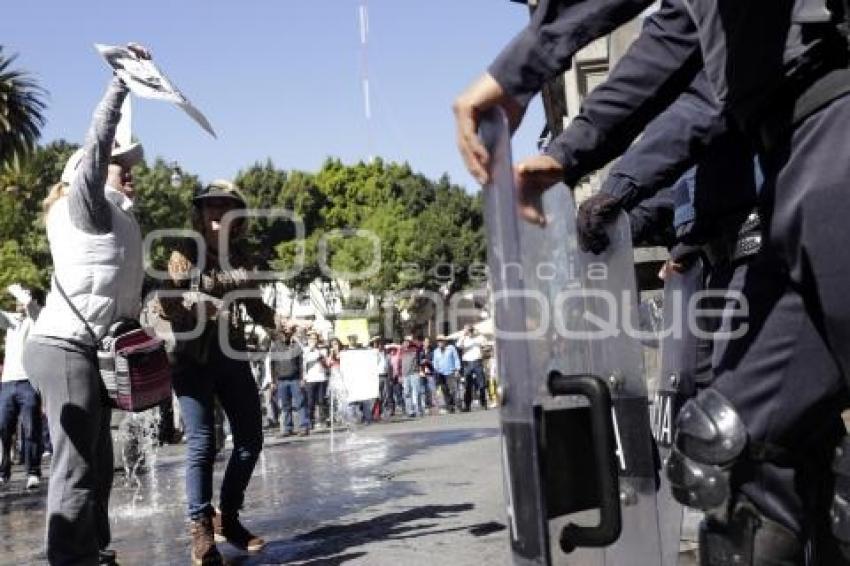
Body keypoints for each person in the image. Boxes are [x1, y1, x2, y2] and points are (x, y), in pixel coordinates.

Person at [457, 0, 850, 561]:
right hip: (796, 160)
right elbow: (683, 44)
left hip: (832, 128)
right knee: (731, 448)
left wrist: (518, 70)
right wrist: (574, 155)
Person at [23, 43, 150, 566]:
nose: (130, 171)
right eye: (123, 166)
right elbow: (97, 147)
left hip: (84, 349)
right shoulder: (89, 208)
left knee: (98, 463)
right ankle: (68, 560)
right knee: (75, 466)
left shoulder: (120, 221)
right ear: (94, 177)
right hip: (63, 348)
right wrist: (119, 86)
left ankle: (93, 549)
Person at [158, 179, 281, 564]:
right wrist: (194, 302)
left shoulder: (242, 257)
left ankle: (228, 517)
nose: (217, 211)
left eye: (226, 206)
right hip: (190, 358)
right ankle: (200, 528)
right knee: (202, 444)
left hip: (231, 355)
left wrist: (283, 324)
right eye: (210, 205)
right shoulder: (184, 252)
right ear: (200, 212)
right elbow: (165, 302)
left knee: (250, 439)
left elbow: (256, 305)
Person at [0, 285, 44, 489]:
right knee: (3, 428)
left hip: (28, 382)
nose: (18, 303)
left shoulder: (38, 320)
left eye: (22, 299)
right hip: (8, 383)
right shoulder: (10, 320)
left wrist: (19, 292)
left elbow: (30, 306)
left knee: (31, 428)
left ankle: (33, 472)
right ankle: (3, 471)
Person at [267, 327, 305, 437]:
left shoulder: (296, 345)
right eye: (283, 333)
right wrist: (273, 381)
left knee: (300, 403)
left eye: (288, 333)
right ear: (280, 334)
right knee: (285, 406)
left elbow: (301, 363)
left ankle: (303, 426)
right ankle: (288, 428)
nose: (285, 335)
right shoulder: (275, 346)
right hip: (281, 380)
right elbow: (272, 365)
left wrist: (302, 378)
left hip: (295, 379)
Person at [302, 331, 328, 432]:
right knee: (310, 401)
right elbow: (304, 362)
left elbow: (326, 363)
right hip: (310, 379)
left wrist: (322, 357)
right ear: (308, 340)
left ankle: (322, 421)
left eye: (315, 339)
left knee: (321, 401)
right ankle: (310, 421)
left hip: (321, 378)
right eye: (311, 339)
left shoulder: (322, 350)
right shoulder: (304, 350)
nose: (313, 341)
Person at [457, 325, 488, 411]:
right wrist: (464, 334)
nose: (469, 332)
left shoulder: (479, 338)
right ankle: (467, 405)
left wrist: (479, 333)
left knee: (481, 384)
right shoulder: (464, 338)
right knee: (468, 385)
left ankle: (483, 403)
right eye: (468, 330)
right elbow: (458, 345)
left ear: (473, 330)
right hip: (467, 363)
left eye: (470, 330)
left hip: (477, 362)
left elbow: (485, 343)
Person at [432, 335, 461, 414]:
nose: (440, 342)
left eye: (441, 341)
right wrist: (436, 370)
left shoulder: (451, 348)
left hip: (451, 371)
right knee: (445, 390)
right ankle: (450, 407)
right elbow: (434, 362)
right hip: (441, 373)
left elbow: (456, 358)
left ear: (445, 341)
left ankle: (458, 405)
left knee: (454, 389)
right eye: (438, 341)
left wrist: (457, 369)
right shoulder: (436, 351)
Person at [398, 337, 422, 418]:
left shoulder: (414, 348)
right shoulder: (401, 351)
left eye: (407, 342)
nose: (406, 343)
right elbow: (399, 363)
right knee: (407, 393)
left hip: (414, 373)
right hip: (405, 375)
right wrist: (399, 375)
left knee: (416, 392)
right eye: (405, 342)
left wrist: (412, 340)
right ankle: (410, 411)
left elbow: (420, 345)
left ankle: (418, 409)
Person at [418, 337, 436, 413]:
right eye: (425, 342)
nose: (427, 343)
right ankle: (425, 404)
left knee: (431, 389)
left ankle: (432, 404)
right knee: (423, 389)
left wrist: (428, 361)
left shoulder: (432, 351)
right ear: (423, 343)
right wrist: (421, 362)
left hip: (430, 372)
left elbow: (434, 362)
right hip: (422, 372)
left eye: (428, 342)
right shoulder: (420, 351)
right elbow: (417, 361)